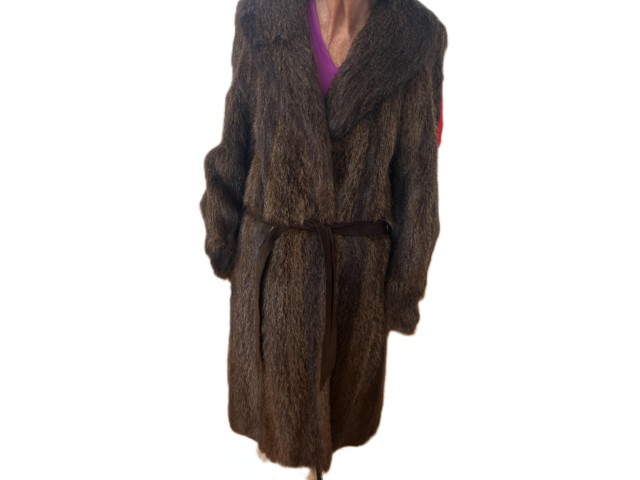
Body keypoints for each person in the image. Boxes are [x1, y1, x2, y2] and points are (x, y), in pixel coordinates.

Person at [199, 0, 448, 477]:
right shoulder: (263, 17)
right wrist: (222, 238)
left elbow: (418, 185)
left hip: (356, 289)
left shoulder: (415, 38)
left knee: (336, 419)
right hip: (271, 278)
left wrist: (403, 289)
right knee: (278, 421)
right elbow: (235, 139)